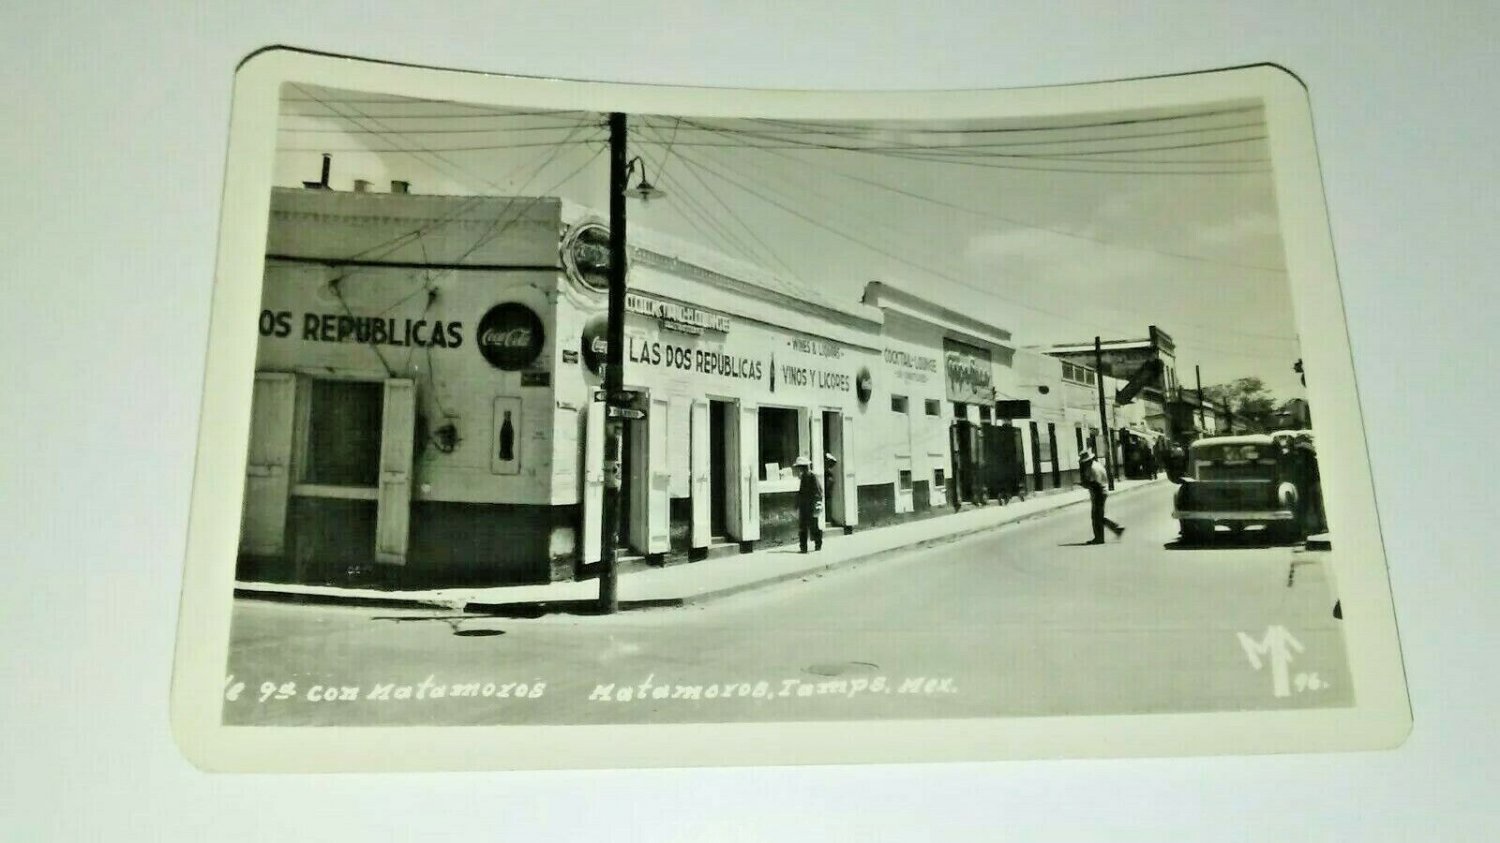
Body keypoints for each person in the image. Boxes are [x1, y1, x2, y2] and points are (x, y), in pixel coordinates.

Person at [1078, 450, 1124, 545]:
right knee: (1099, 516)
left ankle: (1099, 538)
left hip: (1099, 493)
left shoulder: (1093, 468)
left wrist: (1085, 484)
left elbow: (1096, 484)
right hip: (1101, 492)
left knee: (1096, 516)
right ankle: (1115, 529)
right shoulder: (1096, 465)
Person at [794, 455, 823, 553]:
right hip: (804, 506)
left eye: (801, 467)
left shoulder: (812, 476)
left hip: (811, 506)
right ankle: (803, 547)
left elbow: (819, 492)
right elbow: (801, 492)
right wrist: (797, 503)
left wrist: (817, 504)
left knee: (814, 526)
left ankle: (818, 543)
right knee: (802, 527)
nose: (799, 470)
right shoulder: (803, 477)